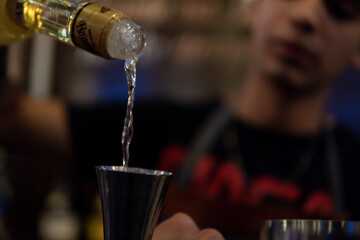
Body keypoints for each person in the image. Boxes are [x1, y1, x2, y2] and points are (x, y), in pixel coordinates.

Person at [1, 0, 360, 239]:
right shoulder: (163, 125)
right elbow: (11, 119)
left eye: (342, 7)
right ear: (253, 9)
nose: (306, 17)